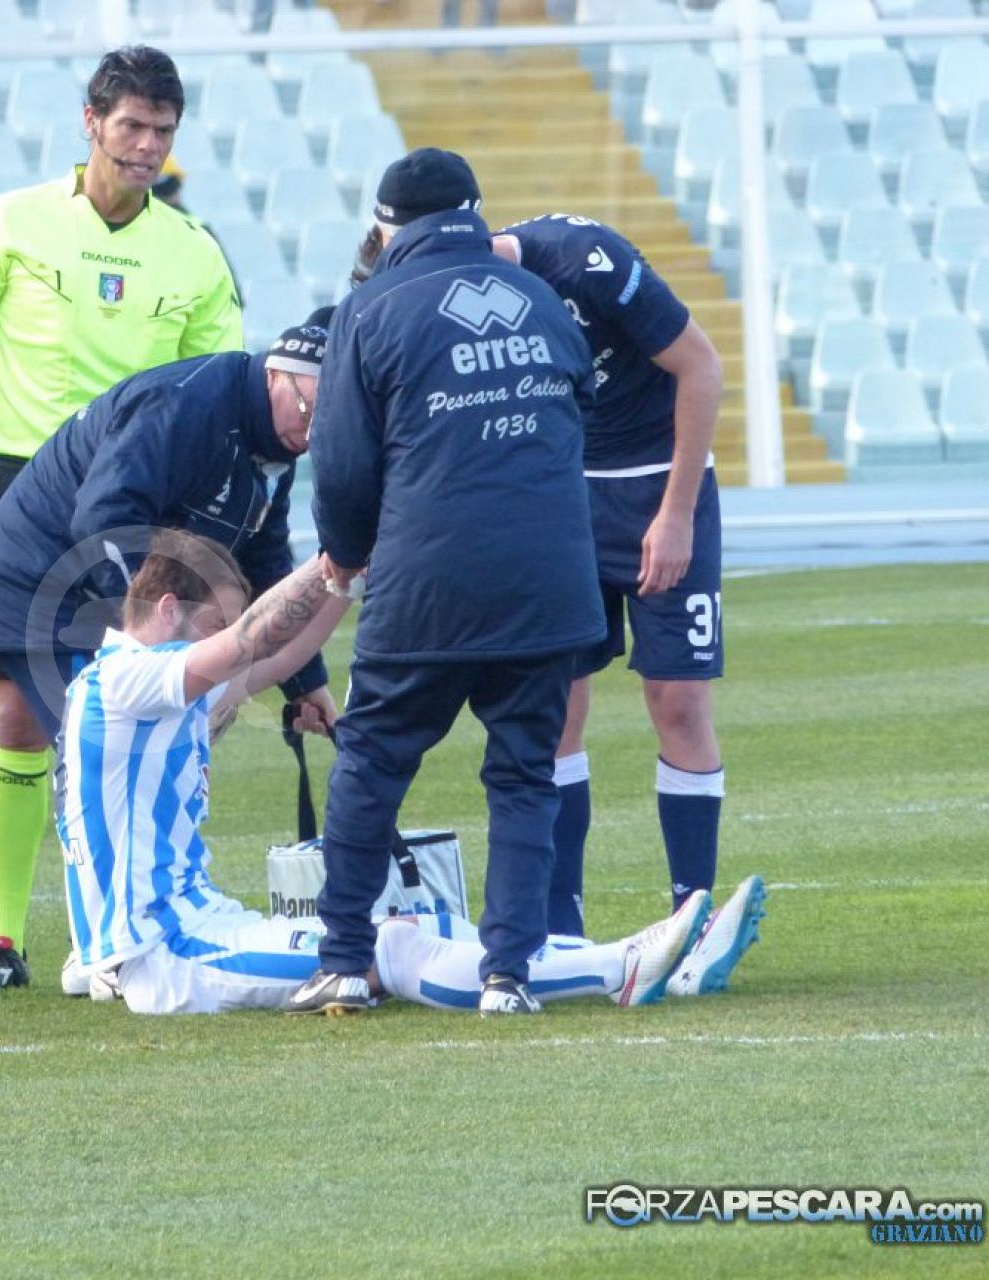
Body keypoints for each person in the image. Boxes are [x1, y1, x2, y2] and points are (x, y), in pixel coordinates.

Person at [58, 532, 729, 1016]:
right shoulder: (124, 682)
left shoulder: (144, 689)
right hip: (168, 954)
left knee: (426, 919)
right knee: (393, 947)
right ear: (167, 609)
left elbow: (279, 654)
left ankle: (626, 956)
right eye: (212, 621)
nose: (221, 634)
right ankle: (618, 968)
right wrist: (337, 549)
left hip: (197, 927)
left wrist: (347, 577)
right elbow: (247, 641)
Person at [0, 44, 248, 991]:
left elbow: (217, 388)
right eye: (132, 125)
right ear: (91, 122)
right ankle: (2, 941)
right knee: (22, 715)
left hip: (145, 504)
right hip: (28, 490)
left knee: (148, 711)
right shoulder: (10, 223)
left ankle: (122, 927)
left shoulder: (194, 251)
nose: (146, 146)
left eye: (163, 131)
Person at [293, 148, 603, 1017]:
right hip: (548, 581)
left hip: (428, 580)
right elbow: (577, 411)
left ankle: (344, 959)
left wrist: (345, 554)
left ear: (387, 227)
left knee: (371, 762)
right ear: (474, 210)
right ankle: (509, 976)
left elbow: (342, 465)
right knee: (525, 775)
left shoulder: (369, 308)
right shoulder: (540, 298)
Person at [0, 322, 338, 990]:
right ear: (276, 373)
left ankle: (102, 939)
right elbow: (102, 518)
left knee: (140, 740)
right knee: (88, 752)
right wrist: (144, 639)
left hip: (127, 588)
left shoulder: (277, 441)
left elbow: (266, 560)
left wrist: (307, 680)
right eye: (307, 409)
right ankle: (97, 951)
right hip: (47, 579)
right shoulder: (186, 405)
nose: (311, 430)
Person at [486, 214, 740, 995]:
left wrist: (676, 514)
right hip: (564, 497)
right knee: (556, 703)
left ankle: (691, 923)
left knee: (679, 701)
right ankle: (561, 930)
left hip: (659, 486)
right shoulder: (457, 294)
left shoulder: (586, 259)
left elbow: (702, 367)